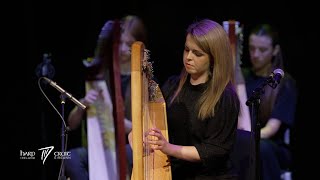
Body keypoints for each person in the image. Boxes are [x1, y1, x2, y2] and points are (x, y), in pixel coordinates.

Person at [129, 19, 240, 180]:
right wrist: (139, 139)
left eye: (197, 53)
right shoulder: (172, 85)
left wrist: (168, 148)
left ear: (214, 58)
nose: (188, 57)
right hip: (176, 172)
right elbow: (147, 128)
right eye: (187, 50)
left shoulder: (225, 98)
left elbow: (214, 150)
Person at [65, 15, 147, 180]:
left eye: (129, 45)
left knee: (131, 154)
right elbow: (71, 124)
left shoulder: (144, 79)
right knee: (68, 157)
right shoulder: (100, 75)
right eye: (120, 44)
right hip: (101, 148)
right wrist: (82, 104)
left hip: (130, 147)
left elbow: (146, 131)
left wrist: (121, 123)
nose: (123, 49)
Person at [243, 24, 297, 180]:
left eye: (262, 50)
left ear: (274, 50)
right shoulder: (242, 77)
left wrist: (245, 139)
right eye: (252, 48)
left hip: (271, 144)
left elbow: (271, 129)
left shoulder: (284, 83)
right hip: (246, 139)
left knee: (261, 148)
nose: (255, 54)